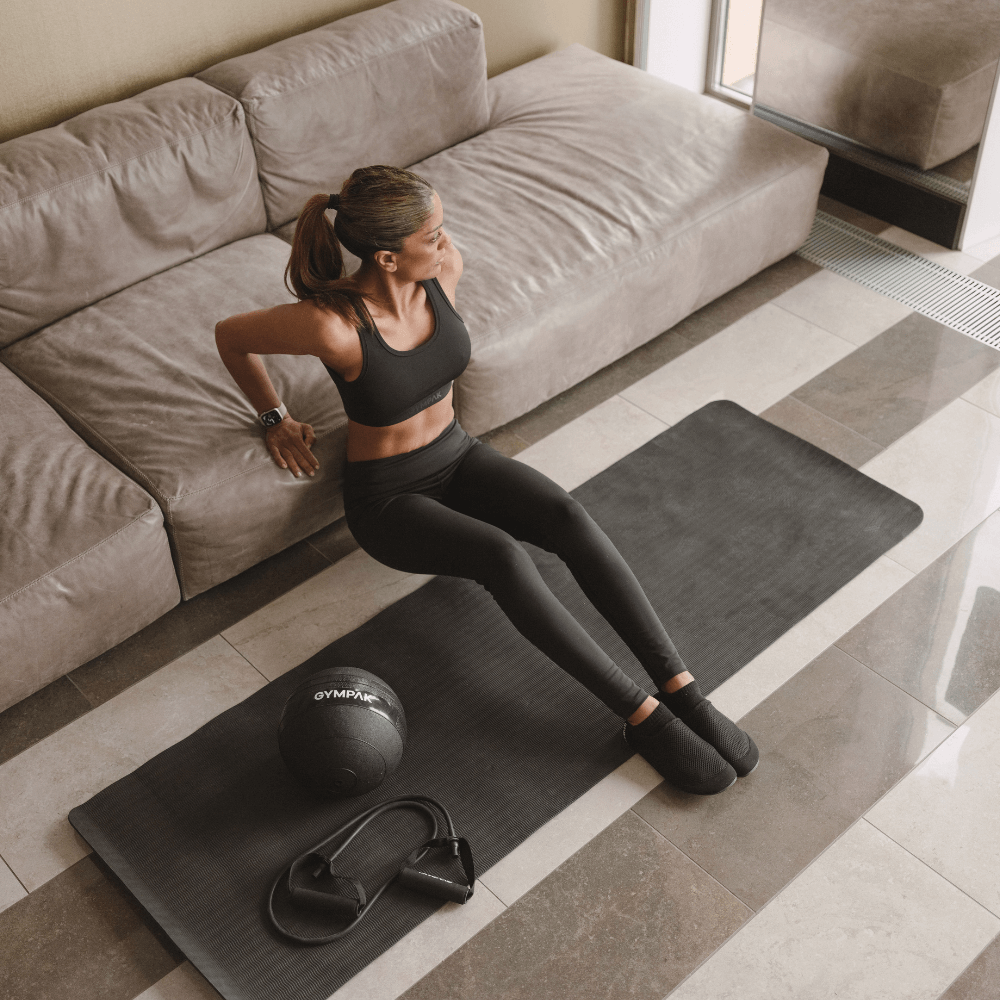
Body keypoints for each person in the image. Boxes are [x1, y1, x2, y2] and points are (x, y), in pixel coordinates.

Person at [215, 165, 758, 795]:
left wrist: (441, 250)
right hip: (389, 498)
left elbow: (434, 328)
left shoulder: (443, 272)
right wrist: (275, 417)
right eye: (433, 234)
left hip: (457, 453)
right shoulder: (332, 325)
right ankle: (642, 715)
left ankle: (682, 690)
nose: (446, 242)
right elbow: (231, 337)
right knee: (501, 555)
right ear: (388, 258)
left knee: (564, 514)